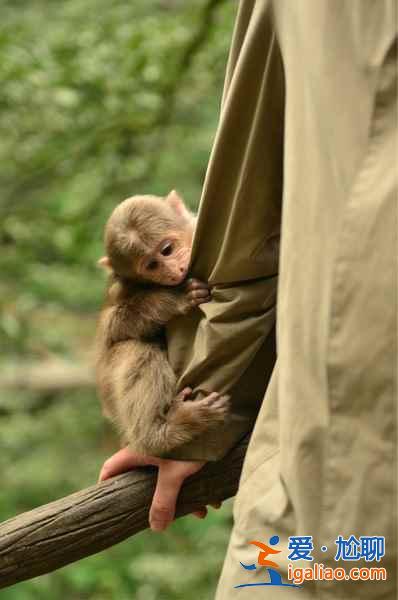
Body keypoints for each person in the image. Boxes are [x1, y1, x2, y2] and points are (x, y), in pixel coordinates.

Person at [99, 1, 397, 597]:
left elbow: (247, 226)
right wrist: (194, 425)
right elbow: (247, 230)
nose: (170, 267)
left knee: (322, 563)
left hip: (358, 371)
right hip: (352, 382)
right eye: (151, 264)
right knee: (315, 563)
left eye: (167, 250)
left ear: (179, 215)